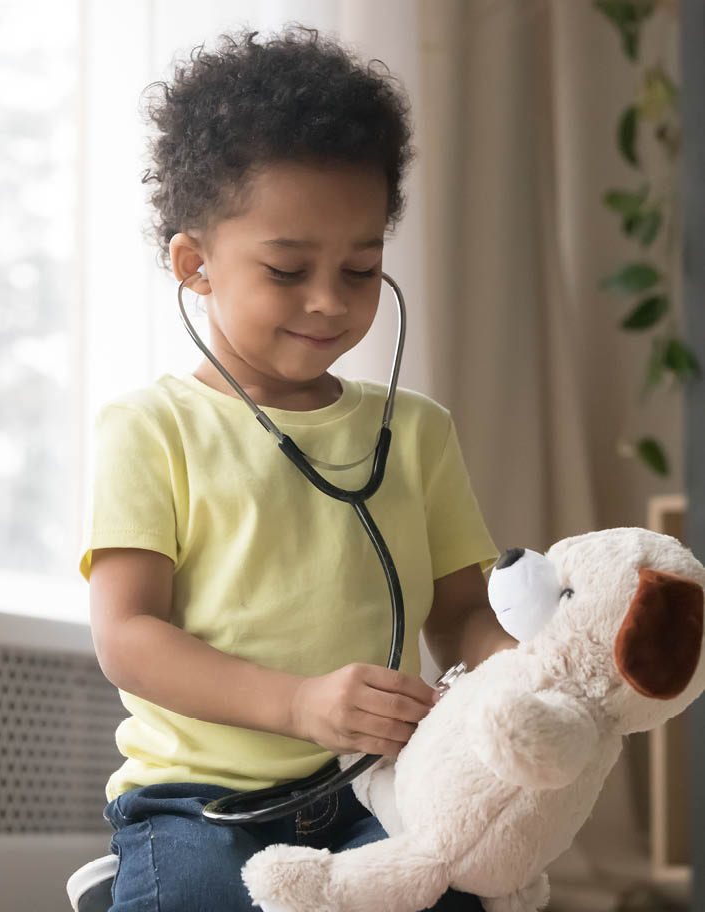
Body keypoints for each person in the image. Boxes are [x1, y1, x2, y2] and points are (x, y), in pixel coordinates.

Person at [79, 22, 517, 912]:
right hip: (200, 802)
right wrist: (298, 704)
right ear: (194, 264)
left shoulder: (418, 433)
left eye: (361, 268)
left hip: (379, 789)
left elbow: (465, 612)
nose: (329, 300)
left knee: (459, 893)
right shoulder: (149, 428)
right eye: (287, 269)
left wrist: (516, 679)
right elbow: (127, 636)